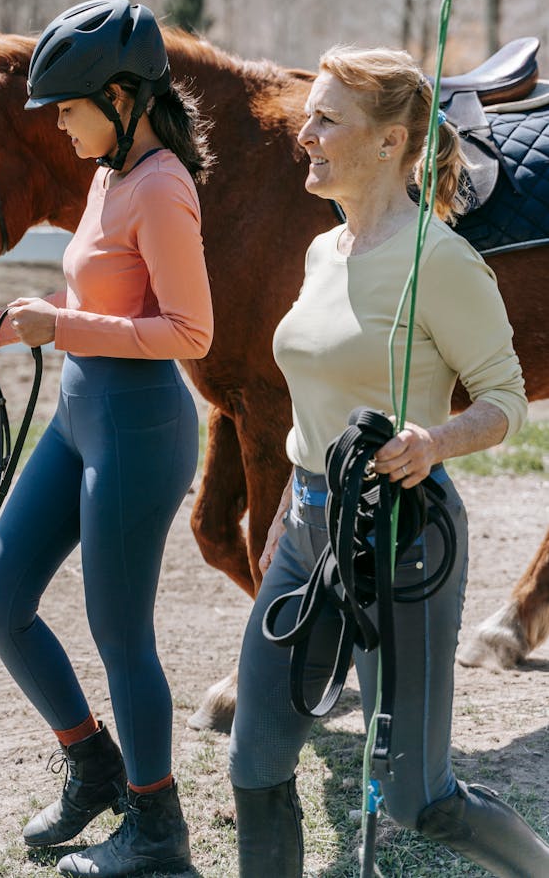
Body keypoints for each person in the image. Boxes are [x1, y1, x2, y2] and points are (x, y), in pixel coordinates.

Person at [228, 45, 549, 877]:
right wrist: (292, 514)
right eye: (312, 115)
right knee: (255, 764)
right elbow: (311, 395)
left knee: (418, 796)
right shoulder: (319, 252)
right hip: (306, 532)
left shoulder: (440, 262)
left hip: (403, 538)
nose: (306, 133)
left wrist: (434, 439)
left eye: (328, 118)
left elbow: (504, 398)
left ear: (390, 142)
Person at [0, 0, 213, 877]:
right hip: (80, 414)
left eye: (69, 108)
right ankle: (92, 761)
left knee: (118, 631)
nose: (59, 126)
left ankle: (157, 831)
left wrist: (58, 327)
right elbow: (104, 305)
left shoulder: (163, 186)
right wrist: (18, 319)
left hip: (141, 429)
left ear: (122, 95)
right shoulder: (106, 174)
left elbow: (189, 332)